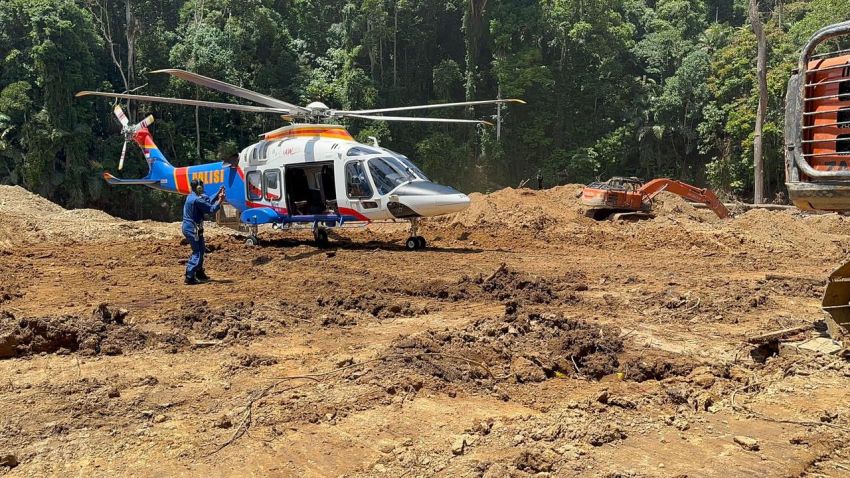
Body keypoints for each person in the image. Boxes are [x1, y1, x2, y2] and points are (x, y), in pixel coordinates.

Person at [182, 179, 225, 285]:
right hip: (192, 229)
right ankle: (189, 276)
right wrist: (220, 200)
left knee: (201, 249)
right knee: (198, 252)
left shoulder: (192, 196)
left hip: (193, 228)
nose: (202, 188)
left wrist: (217, 193)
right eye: (201, 186)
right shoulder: (197, 200)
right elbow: (211, 209)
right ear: (198, 188)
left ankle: (199, 272)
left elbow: (207, 201)